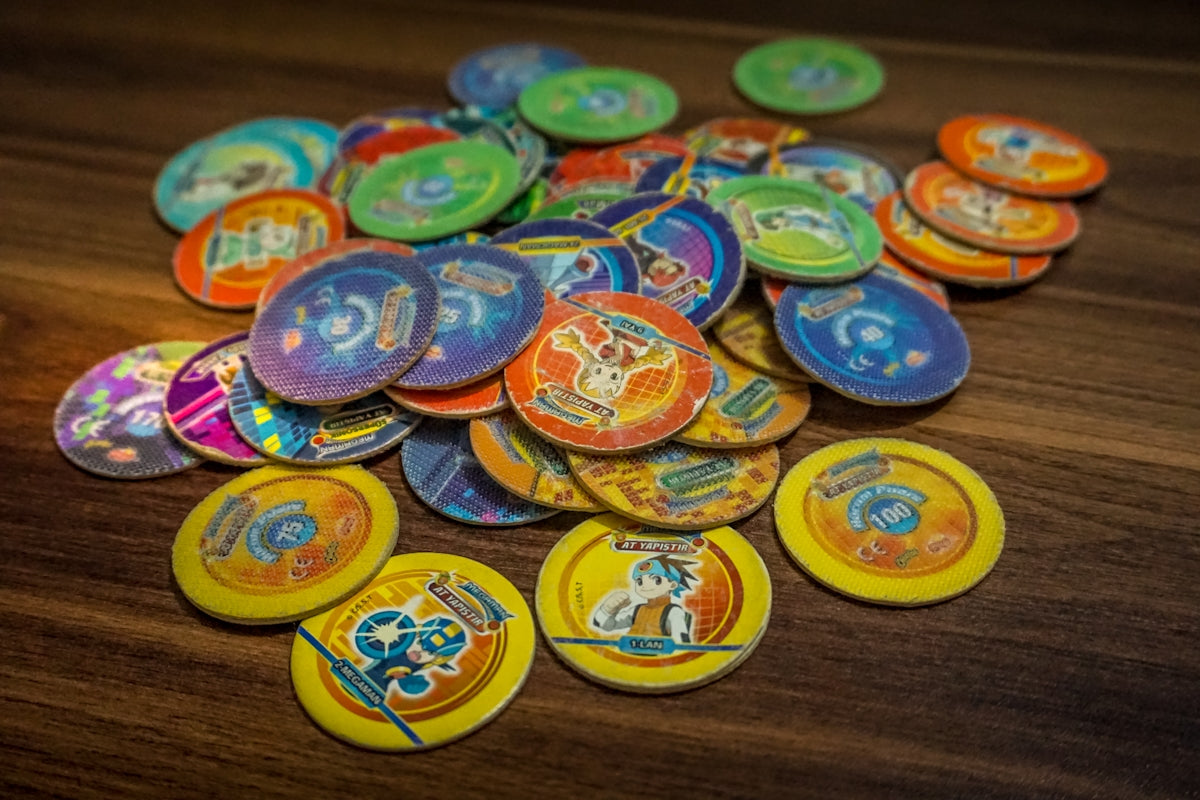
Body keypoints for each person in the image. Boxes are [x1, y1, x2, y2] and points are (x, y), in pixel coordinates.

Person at [592, 555, 699, 644]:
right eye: (639, 581)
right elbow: (608, 626)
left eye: (657, 580)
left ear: (673, 584)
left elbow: (680, 640)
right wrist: (608, 610)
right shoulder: (637, 610)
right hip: (629, 655)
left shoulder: (673, 612)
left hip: (660, 657)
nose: (644, 586)